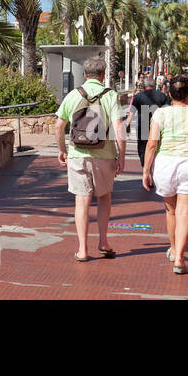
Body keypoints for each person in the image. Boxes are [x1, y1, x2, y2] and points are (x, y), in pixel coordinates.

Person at [55, 56, 125, 261]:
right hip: (105, 154)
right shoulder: (110, 95)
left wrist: (62, 150)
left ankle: (83, 249)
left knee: (82, 200)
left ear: (85, 75)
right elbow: (119, 127)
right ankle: (103, 241)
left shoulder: (73, 95)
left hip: (78, 154)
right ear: (103, 75)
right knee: (104, 197)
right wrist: (121, 155)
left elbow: (59, 126)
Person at [143, 74, 188, 275]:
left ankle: (173, 249)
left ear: (169, 94)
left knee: (171, 211)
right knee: (185, 212)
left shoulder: (160, 115)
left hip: (165, 164)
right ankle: (179, 258)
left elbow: (152, 144)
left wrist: (146, 170)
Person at [128, 75, 169, 170]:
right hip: (159, 127)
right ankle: (154, 167)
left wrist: (128, 124)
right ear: (155, 86)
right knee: (157, 147)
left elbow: (131, 111)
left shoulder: (138, 96)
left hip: (143, 127)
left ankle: (145, 166)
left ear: (143, 86)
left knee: (142, 148)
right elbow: (167, 112)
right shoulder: (162, 96)